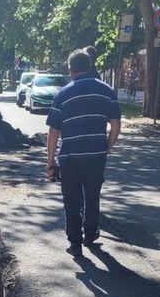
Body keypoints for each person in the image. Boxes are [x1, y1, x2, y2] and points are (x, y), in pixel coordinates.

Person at [46, 49, 122, 258]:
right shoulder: (107, 91)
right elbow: (115, 124)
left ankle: (75, 243)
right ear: (89, 67)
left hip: (69, 157)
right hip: (96, 155)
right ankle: (90, 234)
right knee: (92, 195)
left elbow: (53, 131)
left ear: (71, 70)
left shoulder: (63, 94)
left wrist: (50, 161)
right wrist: (107, 146)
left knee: (71, 200)